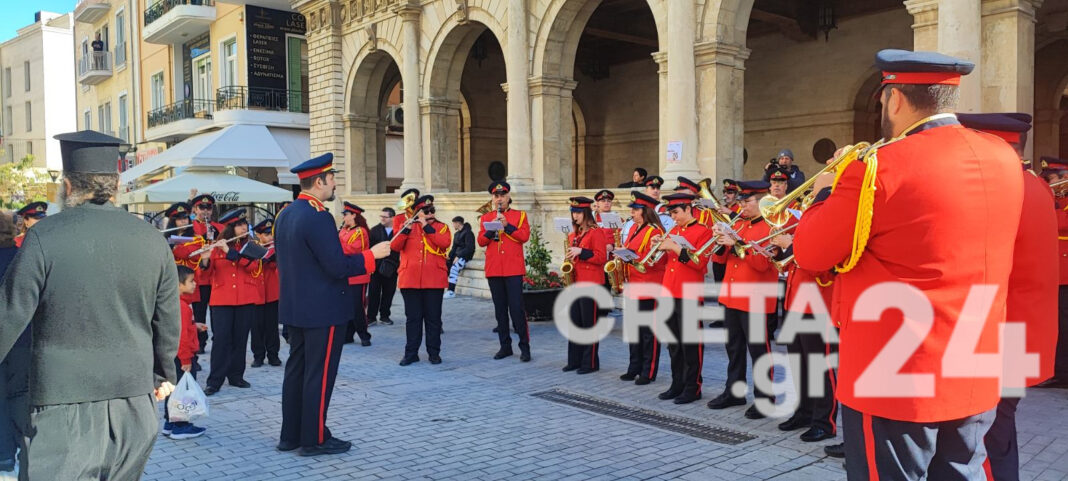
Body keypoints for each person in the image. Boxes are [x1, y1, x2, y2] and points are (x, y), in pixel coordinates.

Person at [794, 49, 1023, 479]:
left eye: (882, 101)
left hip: (893, 371)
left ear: (895, 100)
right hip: (974, 358)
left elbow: (810, 254)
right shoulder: (1003, 157)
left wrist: (826, 192)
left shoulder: (875, 169)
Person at [0, 130, 180, 479]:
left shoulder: (44, 236)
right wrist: (164, 374)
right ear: (114, 185)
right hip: (134, 400)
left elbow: (9, 313)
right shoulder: (151, 238)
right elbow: (168, 318)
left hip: (61, 404)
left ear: (68, 186)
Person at [958, 113, 1058, 480]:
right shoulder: (1036, 186)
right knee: (998, 431)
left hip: (995, 333)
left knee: (980, 439)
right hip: (1021, 333)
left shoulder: (999, 188)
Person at [274, 153, 391, 456]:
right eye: (332, 178)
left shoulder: (285, 214)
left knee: (296, 371)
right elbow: (336, 265)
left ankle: (291, 436)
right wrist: (371, 256)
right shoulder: (318, 216)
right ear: (319, 182)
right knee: (319, 375)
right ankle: (314, 439)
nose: (335, 183)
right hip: (322, 310)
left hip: (296, 309)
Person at [705, 181, 779, 417]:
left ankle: (765, 399)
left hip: (755, 299)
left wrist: (736, 242)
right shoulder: (738, 223)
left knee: (759, 351)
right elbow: (720, 259)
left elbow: (762, 264)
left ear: (762, 200)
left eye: (747, 201)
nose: (742, 206)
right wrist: (720, 240)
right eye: (741, 202)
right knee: (734, 348)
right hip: (731, 296)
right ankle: (734, 392)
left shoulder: (771, 227)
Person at [653, 192, 714, 404]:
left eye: (676, 212)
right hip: (669, 291)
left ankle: (692, 386)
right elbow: (665, 263)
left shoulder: (703, 232)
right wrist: (659, 245)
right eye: (671, 213)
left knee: (690, 343)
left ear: (688, 209)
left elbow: (700, 264)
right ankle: (676, 383)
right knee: (674, 343)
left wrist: (674, 247)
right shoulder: (674, 229)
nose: (674, 217)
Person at [201, 208, 262, 396]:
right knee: (221, 340)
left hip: (245, 299)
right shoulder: (217, 246)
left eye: (245, 224)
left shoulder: (251, 246)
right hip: (222, 300)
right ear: (231, 228)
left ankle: (236, 376)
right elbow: (205, 275)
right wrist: (205, 259)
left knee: (240, 339)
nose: (244, 227)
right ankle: (215, 380)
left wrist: (230, 252)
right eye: (240, 225)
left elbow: (253, 267)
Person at [392, 195, 451, 366]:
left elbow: (444, 243)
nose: (430, 213)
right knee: (413, 319)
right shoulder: (408, 227)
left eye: (432, 210)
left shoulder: (441, 227)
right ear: (417, 212)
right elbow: (395, 247)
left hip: (434, 280)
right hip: (410, 280)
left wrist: (426, 227)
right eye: (426, 211)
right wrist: (406, 229)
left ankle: (434, 353)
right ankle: (411, 353)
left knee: (433, 318)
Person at [478, 182, 532, 361]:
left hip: (513, 269)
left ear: (508, 197)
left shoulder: (520, 215)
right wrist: (490, 228)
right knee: (500, 310)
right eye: (496, 196)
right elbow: (481, 242)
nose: (499, 199)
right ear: (492, 199)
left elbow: (523, 237)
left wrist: (507, 225)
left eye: (502, 195)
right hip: (494, 269)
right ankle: (505, 346)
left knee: (517, 309)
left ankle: (525, 347)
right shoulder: (486, 218)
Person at [619, 192, 666, 385]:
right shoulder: (634, 229)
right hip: (634, 284)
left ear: (644, 211)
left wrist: (631, 256)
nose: (631, 212)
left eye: (635, 209)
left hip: (649, 285)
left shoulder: (654, 231)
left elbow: (655, 261)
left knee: (648, 332)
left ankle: (649, 370)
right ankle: (634, 367)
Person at [562, 197, 608, 374]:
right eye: (573, 212)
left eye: (578, 212)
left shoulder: (596, 232)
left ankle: (589, 363)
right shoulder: (574, 234)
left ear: (586, 213)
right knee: (575, 323)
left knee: (589, 324)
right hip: (576, 281)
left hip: (592, 283)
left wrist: (582, 251)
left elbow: (601, 257)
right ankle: (574, 360)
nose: (575, 216)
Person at [162, 265, 209, 440]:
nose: (195, 284)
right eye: (191, 281)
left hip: (172, 356)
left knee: (175, 389)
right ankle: (181, 426)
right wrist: (186, 359)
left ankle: (170, 422)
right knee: (184, 390)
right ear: (178, 284)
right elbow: (180, 336)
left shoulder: (173, 303)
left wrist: (193, 326)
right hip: (182, 357)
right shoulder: (182, 307)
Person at [0, 212, 27, 472]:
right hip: (22, 340)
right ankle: (24, 449)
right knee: (20, 397)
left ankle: (4, 455)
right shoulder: (20, 259)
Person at [1039, 156, 1068, 388]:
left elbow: (1057, 222)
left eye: (1052, 180)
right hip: (1054, 275)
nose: (1049, 184)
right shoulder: (1054, 200)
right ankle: (1056, 371)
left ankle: (1063, 373)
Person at [339, 202, 372, 346]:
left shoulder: (360, 231)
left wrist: (336, 242)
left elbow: (354, 250)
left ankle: (364, 335)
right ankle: (348, 334)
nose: (344, 217)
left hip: (358, 274)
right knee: (346, 306)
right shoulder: (343, 231)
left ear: (354, 215)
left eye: (346, 214)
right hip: (346, 273)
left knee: (357, 306)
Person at [251, 218, 282, 366]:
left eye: (271, 234)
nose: (270, 237)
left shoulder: (276, 247)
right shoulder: (252, 247)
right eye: (266, 234)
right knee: (256, 327)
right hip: (256, 294)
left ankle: (273, 355)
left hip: (271, 292)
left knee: (272, 326)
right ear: (258, 235)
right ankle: (258, 356)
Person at [190, 193, 218, 353]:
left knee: (216, 315)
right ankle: (200, 343)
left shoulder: (219, 227)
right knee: (199, 313)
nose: (205, 211)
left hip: (215, 278)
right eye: (202, 207)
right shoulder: (190, 227)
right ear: (195, 209)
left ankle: (218, 340)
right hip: (198, 278)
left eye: (208, 208)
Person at [367, 207, 399, 326]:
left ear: (392, 218)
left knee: (389, 292)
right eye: (381, 216)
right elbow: (369, 248)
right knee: (373, 292)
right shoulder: (374, 230)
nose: (382, 219)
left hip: (392, 267)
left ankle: (385, 316)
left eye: (385, 217)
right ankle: (371, 317)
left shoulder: (398, 231)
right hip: (376, 267)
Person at [445, 215, 475, 299]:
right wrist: (449, 257)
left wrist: (459, 256)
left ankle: (451, 291)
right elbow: (454, 248)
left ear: (458, 223)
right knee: (445, 265)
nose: (453, 225)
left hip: (465, 256)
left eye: (454, 223)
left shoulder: (469, 233)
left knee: (454, 268)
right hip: (457, 256)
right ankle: (439, 287)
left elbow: (470, 248)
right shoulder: (456, 234)